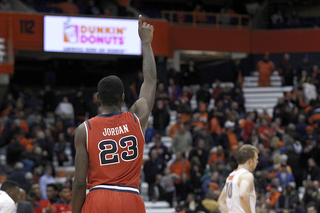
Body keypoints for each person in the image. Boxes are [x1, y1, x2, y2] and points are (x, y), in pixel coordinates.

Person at [72, 15, 156, 213]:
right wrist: (146, 42)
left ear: (98, 97)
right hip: (130, 198)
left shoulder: (84, 130)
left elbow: (79, 183)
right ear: (123, 97)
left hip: (98, 198)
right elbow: (150, 81)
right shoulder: (136, 117)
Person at [218, 144, 259, 213]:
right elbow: (242, 195)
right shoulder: (247, 175)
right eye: (256, 159)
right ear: (249, 161)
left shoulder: (231, 176)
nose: (257, 162)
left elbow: (221, 202)